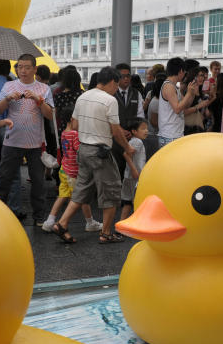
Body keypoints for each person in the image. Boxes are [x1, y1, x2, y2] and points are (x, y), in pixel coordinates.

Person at [52, 66, 135, 245]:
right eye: (116, 85)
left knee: (81, 190)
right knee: (111, 191)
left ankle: (62, 223)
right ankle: (106, 233)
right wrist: (127, 147)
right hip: (100, 152)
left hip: (84, 150)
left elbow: (74, 125)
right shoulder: (109, 100)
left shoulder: (83, 96)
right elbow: (115, 131)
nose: (116, 89)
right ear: (113, 82)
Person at [0, 54, 54, 225]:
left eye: (27, 67)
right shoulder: (9, 85)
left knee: (38, 183)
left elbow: (49, 115)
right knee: (4, 179)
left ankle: (39, 218)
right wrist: (7, 99)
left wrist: (38, 99)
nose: (23, 70)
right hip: (12, 140)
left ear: (35, 69)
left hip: (36, 143)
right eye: (20, 67)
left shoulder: (43, 88)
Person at [41, 108, 99, 233]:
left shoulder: (64, 133)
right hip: (73, 172)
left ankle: (49, 221)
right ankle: (90, 223)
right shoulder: (75, 134)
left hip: (64, 170)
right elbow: (80, 151)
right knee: (82, 198)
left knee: (62, 196)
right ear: (73, 119)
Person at [158, 57, 196, 147]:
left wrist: (192, 93)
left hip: (175, 133)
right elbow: (177, 109)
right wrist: (189, 93)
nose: (185, 74)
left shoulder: (174, 86)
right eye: (185, 71)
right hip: (169, 135)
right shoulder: (169, 86)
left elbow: (186, 105)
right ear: (181, 71)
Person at [120, 118, 149, 220]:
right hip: (135, 178)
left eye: (147, 128)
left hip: (128, 177)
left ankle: (121, 225)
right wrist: (134, 170)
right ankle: (139, 223)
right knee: (138, 201)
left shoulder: (133, 141)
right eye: (143, 128)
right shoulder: (137, 142)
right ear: (134, 131)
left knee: (127, 201)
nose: (146, 131)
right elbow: (126, 154)